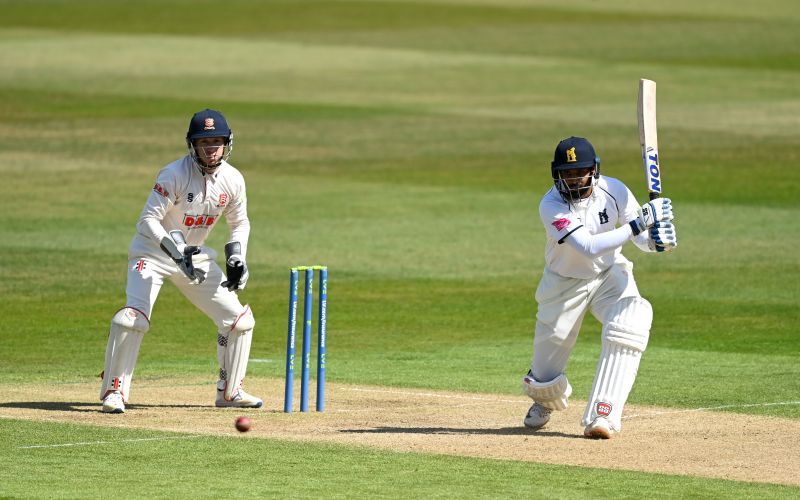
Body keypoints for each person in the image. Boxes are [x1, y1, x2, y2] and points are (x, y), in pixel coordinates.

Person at [99, 109, 262, 413]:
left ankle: (230, 391)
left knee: (240, 321)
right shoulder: (173, 174)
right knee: (132, 318)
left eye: (217, 141)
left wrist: (238, 257)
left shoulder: (233, 179)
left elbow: (240, 223)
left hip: (194, 256)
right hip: (152, 253)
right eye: (204, 141)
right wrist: (174, 251)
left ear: (227, 143)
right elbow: (147, 220)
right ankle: (114, 391)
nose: (211, 148)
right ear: (192, 144)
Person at [521, 136, 677, 438]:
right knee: (544, 379)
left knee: (633, 319)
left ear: (594, 170)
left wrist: (657, 242)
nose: (574, 178)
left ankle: (602, 415)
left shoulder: (614, 190)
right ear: (556, 174)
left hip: (608, 275)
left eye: (579, 171)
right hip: (563, 285)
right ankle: (544, 401)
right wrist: (639, 223)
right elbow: (588, 246)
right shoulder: (550, 204)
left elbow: (640, 240)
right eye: (567, 173)